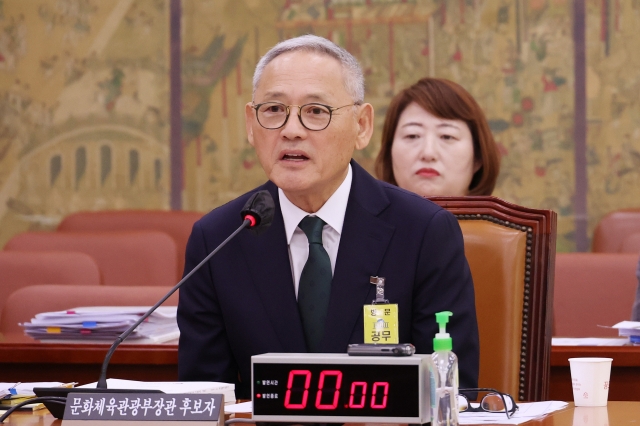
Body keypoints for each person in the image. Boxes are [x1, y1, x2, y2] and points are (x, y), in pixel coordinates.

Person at [177, 35, 479, 399]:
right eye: (273, 110)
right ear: (250, 125)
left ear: (362, 126)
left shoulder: (423, 232)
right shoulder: (219, 239)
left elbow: (449, 393)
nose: (291, 130)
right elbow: (205, 398)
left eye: (316, 111)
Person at [375, 77, 501, 197]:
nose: (428, 153)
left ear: (478, 157)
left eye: (447, 136)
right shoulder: (358, 219)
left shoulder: (501, 220)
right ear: (389, 152)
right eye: (412, 136)